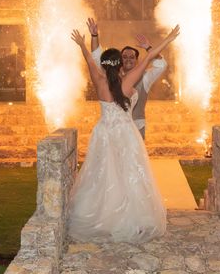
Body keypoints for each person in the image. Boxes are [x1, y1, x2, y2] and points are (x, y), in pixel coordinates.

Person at [68, 24, 180, 244]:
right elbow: (149, 59)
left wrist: (82, 43)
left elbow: (90, 59)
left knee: (104, 173)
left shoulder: (98, 80)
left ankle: (104, 217)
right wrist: (168, 39)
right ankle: (131, 218)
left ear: (104, 65)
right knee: (130, 174)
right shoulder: (127, 82)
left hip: (103, 133)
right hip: (125, 134)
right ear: (119, 64)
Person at [87, 18, 167, 139]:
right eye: (124, 57)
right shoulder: (110, 74)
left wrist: (148, 48)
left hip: (136, 129)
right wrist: (94, 35)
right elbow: (97, 56)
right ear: (120, 60)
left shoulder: (145, 77)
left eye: (132, 57)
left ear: (137, 60)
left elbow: (161, 65)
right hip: (112, 129)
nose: (128, 59)